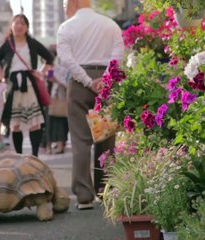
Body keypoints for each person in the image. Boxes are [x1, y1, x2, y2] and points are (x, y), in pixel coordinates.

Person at [57, 0, 124, 210]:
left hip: (78, 84)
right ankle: (106, 191)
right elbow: (117, 56)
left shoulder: (66, 27)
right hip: (106, 82)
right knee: (105, 139)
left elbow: (66, 59)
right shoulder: (110, 24)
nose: (65, 6)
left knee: (80, 140)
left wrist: (87, 81)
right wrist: (104, 79)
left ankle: (84, 196)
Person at [0, 14, 54, 157]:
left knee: (35, 123)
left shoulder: (32, 43)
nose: (19, 26)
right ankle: (19, 155)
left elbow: (49, 58)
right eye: (16, 23)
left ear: (27, 28)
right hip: (13, 87)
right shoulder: (7, 44)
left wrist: (41, 73)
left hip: (30, 85)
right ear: (11, 26)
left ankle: (34, 155)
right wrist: (2, 77)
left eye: (23, 24)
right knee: (15, 124)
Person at [46, 47, 70, 155]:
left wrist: (56, 80)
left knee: (59, 122)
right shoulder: (49, 68)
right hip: (50, 97)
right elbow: (47, 79)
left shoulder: (61, 68)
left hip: (60, 97)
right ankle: (49, 145)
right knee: (49, 122)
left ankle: (60, 145)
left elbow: (64, 83)